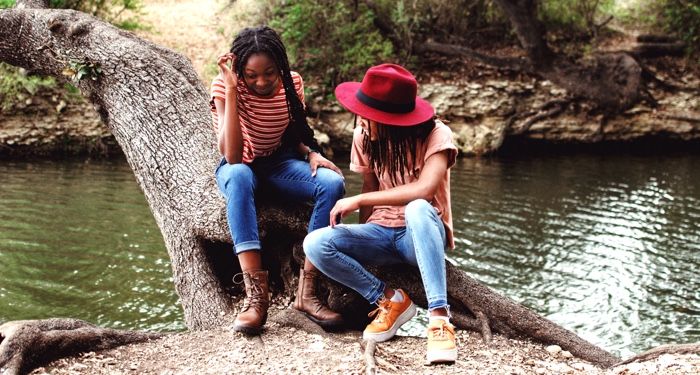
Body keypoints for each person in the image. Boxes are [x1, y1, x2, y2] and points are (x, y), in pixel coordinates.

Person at [303, 64, 459, 363]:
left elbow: (425, 190)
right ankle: (390, 299)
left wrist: (359, 200)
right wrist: (361, 238)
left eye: (369, 117)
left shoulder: (437, 135)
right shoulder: (364, 136)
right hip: (382, 235)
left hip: (420, 235)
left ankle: (440, 320)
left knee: (416, 208)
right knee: (316, 243)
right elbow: (371, 186)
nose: (362, 120)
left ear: (393, 121)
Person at [211, 26, 345, 335]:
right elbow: (232, 156)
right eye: (251, 75)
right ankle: (256, 296)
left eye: (270, 73)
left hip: (280, 162)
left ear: (280, 67)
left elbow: (293, 130)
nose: (261, 82)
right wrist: (232, 90)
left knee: (331, 183)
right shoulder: (224, 87)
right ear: (239, 71)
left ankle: (307, 292)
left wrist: (309, 152)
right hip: (239, 166)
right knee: (241, 174)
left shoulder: (292, 82)